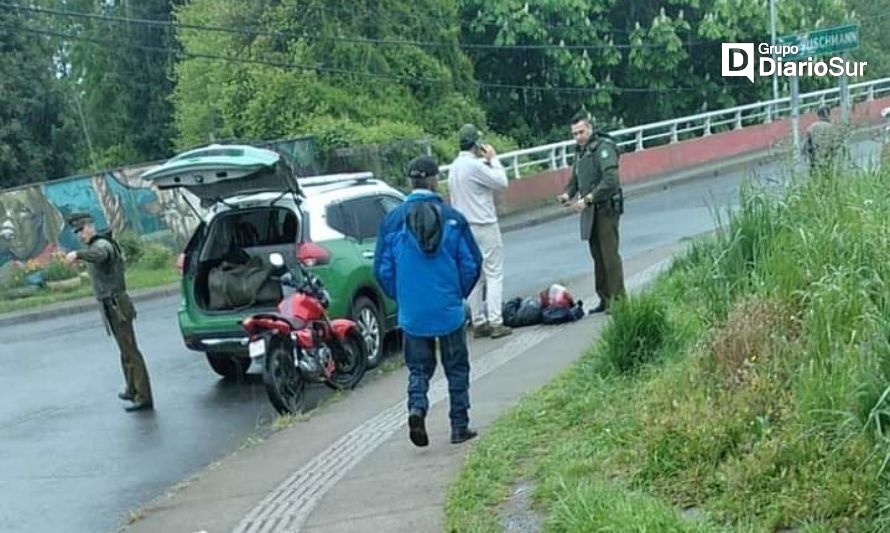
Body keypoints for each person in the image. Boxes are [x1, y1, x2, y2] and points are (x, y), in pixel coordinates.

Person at [374, 156, 483, 447]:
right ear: (435, 180)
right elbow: (472, 263)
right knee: (456, 367)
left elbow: (382, 270)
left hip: (413, 311)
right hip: (448, 308)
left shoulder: (392, 221)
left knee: (419, 368)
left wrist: (403, 296)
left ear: (410, 182)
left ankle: (417, 408)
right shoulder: (453, 219)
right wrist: (456, 293)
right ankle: (459, 426)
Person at [64, 213, 154, 412]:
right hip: (110, 305)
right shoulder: (95, 245)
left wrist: (77, 254)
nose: (80, 235)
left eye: (81, 230)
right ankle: (132, 388)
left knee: (131, 350)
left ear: (89, 226)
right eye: (77, 231)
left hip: (117, 305)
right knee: (124, 350)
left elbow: (101, 255)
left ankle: (143, 396)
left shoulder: (102, 244)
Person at [448, 123, 512, 339]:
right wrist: (493, 158)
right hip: (484, 224)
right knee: (494, 272)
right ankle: (496, 321)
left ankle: (478, 320)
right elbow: (501, 181)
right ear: (476, 144)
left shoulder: (454, 167)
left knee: (475, 275)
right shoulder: (475, 166)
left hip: (465, 228)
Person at [557, 111, 626, 313]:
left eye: (581, 132)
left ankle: (619, 300)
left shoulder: (604, 148)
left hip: (605, 208)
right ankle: (605, 298)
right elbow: (576, 179)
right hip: (590, 210)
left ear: (590, 128)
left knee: (610, 256)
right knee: (597, 255)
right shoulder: (580, 151)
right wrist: (567, 194)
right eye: (574, 134)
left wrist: (588, 199)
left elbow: (611, 181)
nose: (578, 137)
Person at [803, 106, 839, 175]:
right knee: (828, 173)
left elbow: (806, 144)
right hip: (828, 157)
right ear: (828, 115)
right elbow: (835, 144)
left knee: (814, 174)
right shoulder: (831, 127)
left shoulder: (812, 127)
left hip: (815, 157)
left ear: (818, 115)